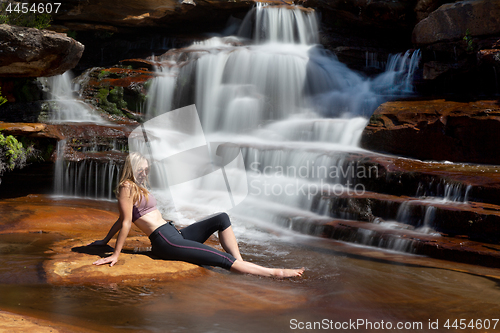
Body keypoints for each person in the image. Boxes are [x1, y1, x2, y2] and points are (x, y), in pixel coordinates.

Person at [89, 152, 304, 278]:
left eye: (147, 169)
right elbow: (125, 221)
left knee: (222, 218)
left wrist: (105, 240)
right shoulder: (126, 187)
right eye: (142, 170)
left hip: (174, 233)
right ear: (132, 168)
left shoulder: (138, 186)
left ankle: (240, 264)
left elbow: (119, 219)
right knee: (220, 259)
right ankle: (276, 273)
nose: (145, 173)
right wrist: (115, 253)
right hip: (165, 241)